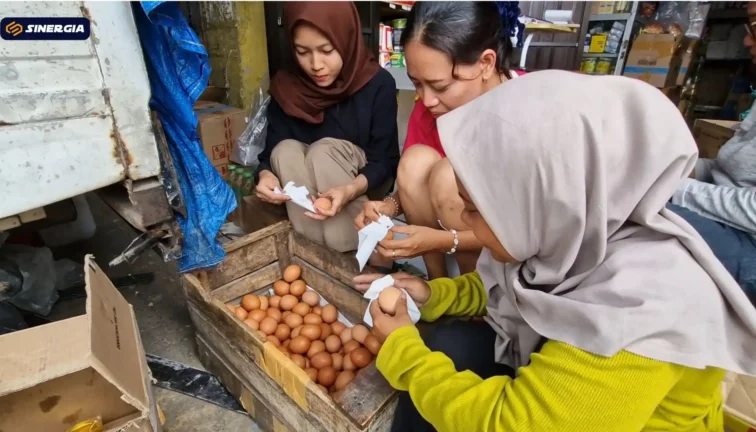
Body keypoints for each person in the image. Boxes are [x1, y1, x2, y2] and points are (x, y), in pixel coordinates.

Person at [354, 71, 756, 431]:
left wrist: (403, 351)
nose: (467, 226)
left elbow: (512, 425)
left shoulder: (640, 314)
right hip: (562, 391)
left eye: (474, 210)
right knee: (444, 345)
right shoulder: (583, 231)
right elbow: (519, 285)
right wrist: (436, 294)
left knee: (428, 363)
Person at [354, 2, 526, 278]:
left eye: (441, 86)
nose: (428, 99)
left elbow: (530, 234)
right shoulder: (429, 109)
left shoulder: (528, 111)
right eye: (417, 83)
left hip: (515, 257)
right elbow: (418, 185)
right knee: (415, 161)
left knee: (451, 174)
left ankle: (480, 298)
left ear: (486, 63)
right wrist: (388, 207)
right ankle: (439, 283)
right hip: (454, 236)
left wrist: (445, 240)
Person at [255, 1, 399, 253]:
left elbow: (385, 160)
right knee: (284, 150)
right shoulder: (287, 87)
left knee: (323, 152)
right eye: (302, 51)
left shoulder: (378, 84)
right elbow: (269, 155)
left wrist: (349, 189)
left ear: (346, 38)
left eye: (326, 50)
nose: (316, 64)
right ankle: (312, 254)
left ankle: (356, 256)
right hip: (308, 185)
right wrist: (265, 175)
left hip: (363, 183)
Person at [665, 2, 756, 305]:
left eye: (754, 28)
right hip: (727, 223)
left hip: (750, 246)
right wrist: (675, 167)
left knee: (630, 213)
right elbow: (729, 171)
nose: (746, 41)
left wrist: (675, 188)